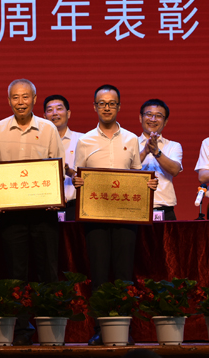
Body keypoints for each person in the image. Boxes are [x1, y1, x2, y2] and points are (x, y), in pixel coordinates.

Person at [74, 85, 157, 346]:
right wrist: (78, 182)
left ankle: (123, 328)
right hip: (95, 216)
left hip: (125, 216)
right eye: (102, 103)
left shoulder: (131, 139)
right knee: (99, 275)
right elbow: (80, 175)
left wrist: (147, 184)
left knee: (123, 274)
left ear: (119, 107)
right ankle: (100, 329)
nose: (107, 107)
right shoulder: (84, 140)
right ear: (95, 107)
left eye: (111, 103)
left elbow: (136, 174)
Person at [0, 78, 65, 345]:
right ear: (9, 100)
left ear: (34, 99)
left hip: (44, 212)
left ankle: (49, 328)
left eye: (25, 97)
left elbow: (58, 167)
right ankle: (21, 330)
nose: (20, 102)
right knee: (15, 273)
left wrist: (54, 194)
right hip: (11, 214)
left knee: (47, 271)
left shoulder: (48, 128)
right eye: (15, 97)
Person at [138, 99, 183, 221]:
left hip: (165, 211)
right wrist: (145, 151)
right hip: (135, 208)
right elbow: (124, 170)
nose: (153, 119)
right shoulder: (130, 143)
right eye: (149, 114)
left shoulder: (173, 146)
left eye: (158, 116)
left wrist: (157, 152)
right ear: (140, 118)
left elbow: (175, 170)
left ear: (165, 121)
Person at [43, 94, 83, 221]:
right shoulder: (38, 143)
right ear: (44, 117)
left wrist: (69, 172)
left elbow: (89, 176)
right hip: (46, 208)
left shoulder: (82, 140)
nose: (55, 113)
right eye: (50, 110)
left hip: (75, 207)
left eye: (59, 108)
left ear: (68, 113)